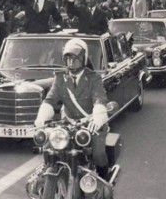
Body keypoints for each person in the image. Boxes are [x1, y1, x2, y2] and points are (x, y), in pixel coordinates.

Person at [34, 38, 110, 179]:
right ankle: (48, 179)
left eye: (76, 58)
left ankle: (103, 182)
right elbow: (50, 99)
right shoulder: (60, 78)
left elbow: (100, 99)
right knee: (48, 149)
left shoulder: (94, 78)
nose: (71, 62)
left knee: (98, 153)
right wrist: (41, 117)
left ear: (84, 58)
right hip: (68, 124)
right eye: (68, 58)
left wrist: (98, 118)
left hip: (90, 124)